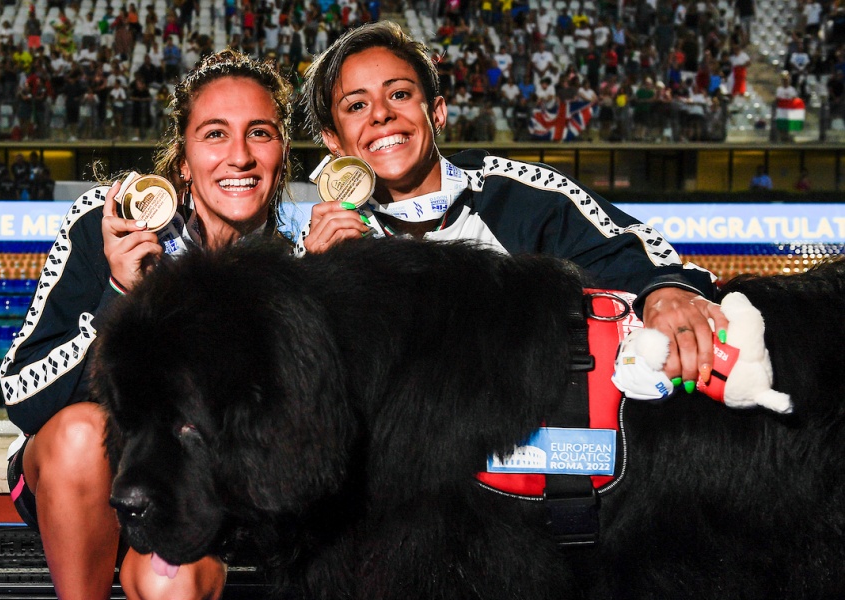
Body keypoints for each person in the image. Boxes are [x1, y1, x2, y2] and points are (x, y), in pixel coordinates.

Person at [0, 49, 295, 600]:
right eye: (215, 134)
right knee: (81, 434)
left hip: (201, 485)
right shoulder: (109, 223)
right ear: (183, 159)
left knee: (172, 598)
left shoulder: (295, 262)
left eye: (259, 133)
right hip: (85, 472)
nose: (239, 155)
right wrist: (118, 295)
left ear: (282, 155)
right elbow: (22, 395)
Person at [299, 21, 726, 390]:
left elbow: (640, 255)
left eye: (399, 94)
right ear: (334, 140)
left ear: (437, 112)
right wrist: (318, 281)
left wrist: (665, 291)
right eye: (357, 105)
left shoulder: (524, 195)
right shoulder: (328, 241)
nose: (380, 114)